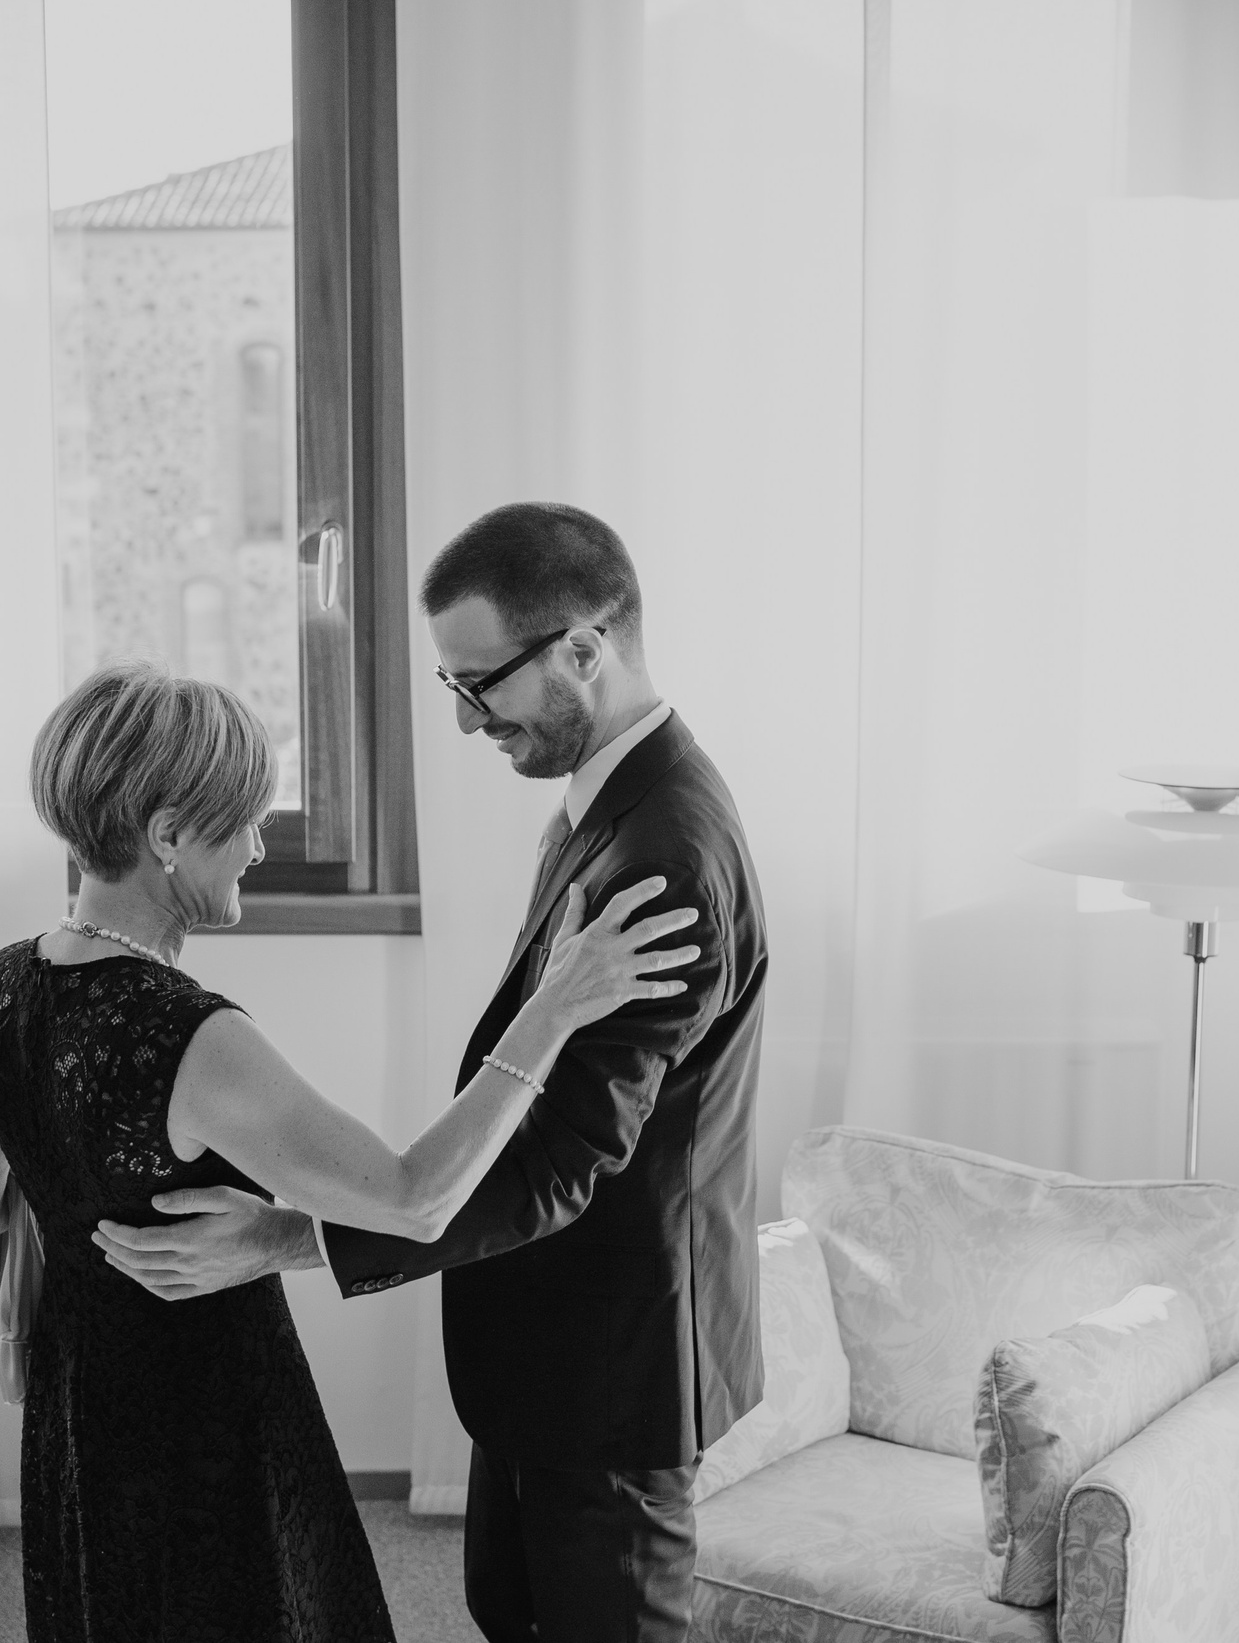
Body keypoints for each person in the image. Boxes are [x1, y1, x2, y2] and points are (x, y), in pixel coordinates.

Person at [92, 503, 768, 1643]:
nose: (464, 721)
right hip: (541, 1343)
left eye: (479, 686)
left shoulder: (663, 864)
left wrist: (282, 1234)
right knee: (509, 1611)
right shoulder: (606, 801)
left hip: (616, 1369)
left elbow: (560, 1165)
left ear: (584, 650)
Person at [0, 660, 701, 1643]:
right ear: (166, 835)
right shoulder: (190, 1036)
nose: (255, 844)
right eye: (244, 820)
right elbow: (415, 1197)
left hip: (77, 1417)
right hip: (210, 1424)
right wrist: (555, 1009)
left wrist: (68, 1263)